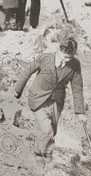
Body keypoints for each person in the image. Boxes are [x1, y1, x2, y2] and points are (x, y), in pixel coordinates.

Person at [14, 37, 86, 168]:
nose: (66, 61)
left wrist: (80, 112)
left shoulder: (75, 65)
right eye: (64, 57)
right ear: (58, 50)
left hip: (56, 102)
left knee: (51, 129)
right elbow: (27, 71)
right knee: (47, 130)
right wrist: (17, 90)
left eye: (69, 58)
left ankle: (37, 152)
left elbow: (77, 87)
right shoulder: (45, 58)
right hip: (38, 98)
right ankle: (47, 156)